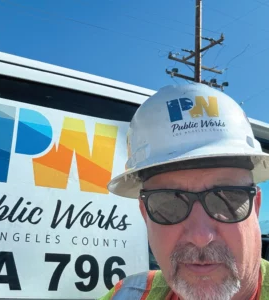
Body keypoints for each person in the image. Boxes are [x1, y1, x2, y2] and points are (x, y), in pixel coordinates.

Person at [99, 83, 269, 299]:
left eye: (225, 199)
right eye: (169, 204)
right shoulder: (125, 295)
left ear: (255, 206)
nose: (200, 237)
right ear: (145, 214)